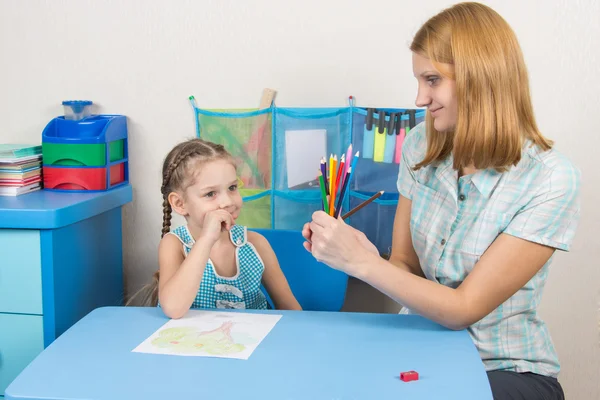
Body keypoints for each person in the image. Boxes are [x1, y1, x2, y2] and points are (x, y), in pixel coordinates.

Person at [302, 2, 580, 399]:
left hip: (503, 368)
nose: (419, 98)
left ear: (480, 77)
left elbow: (464, 308)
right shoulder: (420, 144)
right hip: (420, 349)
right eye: (419, 80)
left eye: (432, 80)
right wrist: (362, 254)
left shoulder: (551, 179)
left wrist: (362, 263)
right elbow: (405, 267)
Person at [129, 138, 302, 317]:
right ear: (180, 203)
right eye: (210, 194)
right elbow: (173, 308)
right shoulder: (174, 244)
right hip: (192, 343)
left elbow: (292, 310)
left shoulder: (256, 245)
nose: (227, 202)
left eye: (232, 187)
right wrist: (207, 240)